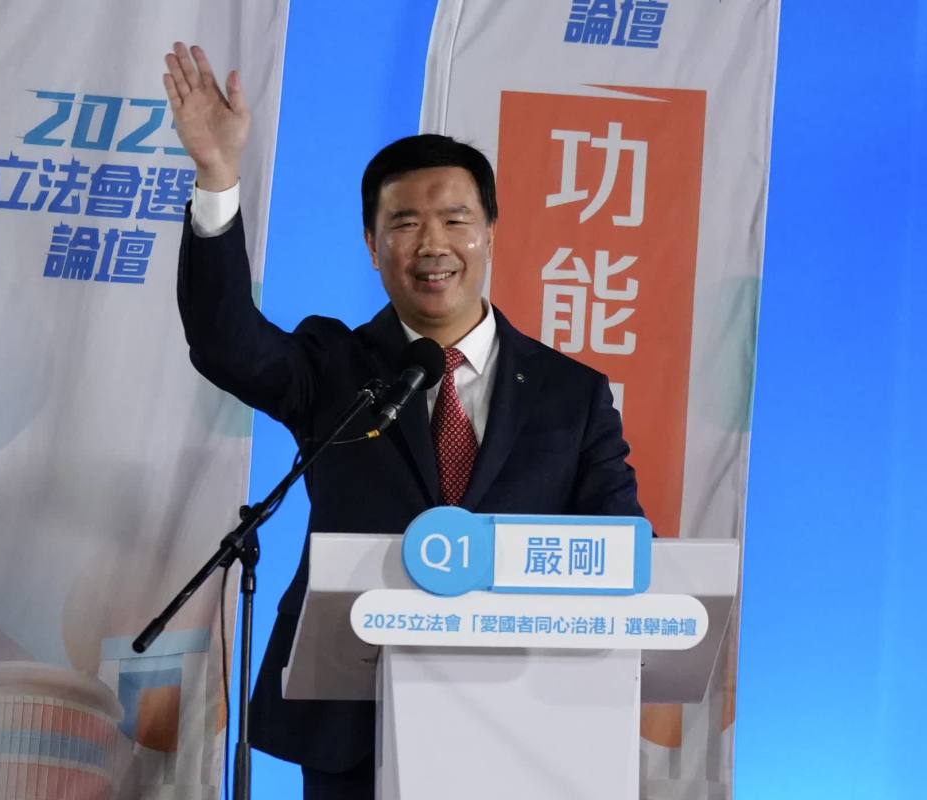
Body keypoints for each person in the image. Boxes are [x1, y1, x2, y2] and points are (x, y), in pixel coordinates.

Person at [164, 42, 644, 800]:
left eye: (455, 219)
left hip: (522, 721)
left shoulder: (572, 394)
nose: (432, 245)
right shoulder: (334, 366)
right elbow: (225, 340)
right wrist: (219, 177)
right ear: (372, 245)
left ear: (490, 230)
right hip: (355, 719)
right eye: (405, 223)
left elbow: (619, 549)